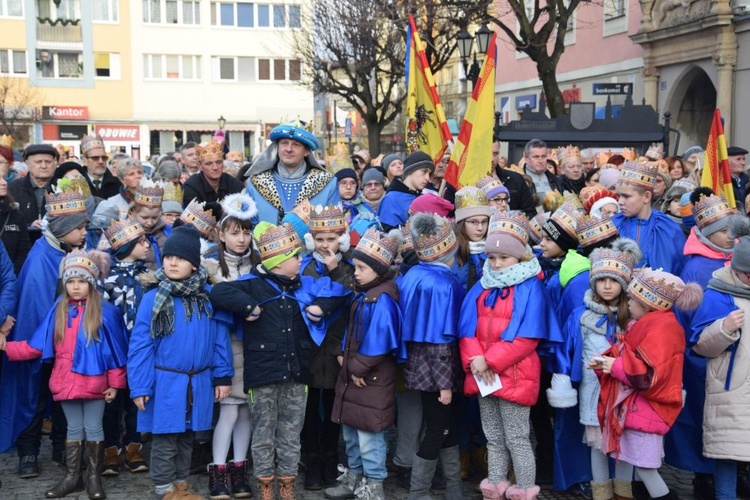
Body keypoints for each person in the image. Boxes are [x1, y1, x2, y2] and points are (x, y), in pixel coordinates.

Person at [208, 221, 350, 500]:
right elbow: (218, 292)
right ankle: (265, 489)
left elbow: (339, 291)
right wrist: (248, 306)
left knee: (290, 436)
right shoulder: (252, 286)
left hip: (297, 376)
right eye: (295, 257)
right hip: (262, 377)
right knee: (263, 436)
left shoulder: (304, 286)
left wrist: (321, 307)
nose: (301, 261)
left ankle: (286, 489)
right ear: (279, 262)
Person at [3, 250, 128, 499]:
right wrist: (7, 347)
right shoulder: (57, 311)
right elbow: (37, 345)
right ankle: (73, 477)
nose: (76, 287)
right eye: (70, 281)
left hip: (95, 382)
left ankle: (93, 479)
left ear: (91, 283)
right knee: (73, 428)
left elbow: (116, 352)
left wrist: (115, 383)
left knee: (93, 427)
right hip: (66, 381)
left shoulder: (106, 313)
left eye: (82, 281)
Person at [458, 211, 562, 500]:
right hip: (483, 375)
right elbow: (467, 329)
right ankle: (495, 483)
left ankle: (524, 488)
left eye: (503, 258)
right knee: (493, 436)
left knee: (517, 437)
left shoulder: (531, 287)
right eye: (492, 258)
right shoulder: (483, 285)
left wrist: (489, 361)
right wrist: (475, 360)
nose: (497, 263)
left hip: (515, 374)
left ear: (518, 257)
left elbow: (527, 337)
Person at [127, 225, 234, 500]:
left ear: (194, 263)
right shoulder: (153, 298)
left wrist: (222, 376)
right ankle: (164, 491)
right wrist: (139, 386)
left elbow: (220, 339)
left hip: (198, 380)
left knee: (187, 438)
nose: (173, 262)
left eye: (181, 258)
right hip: (165, 382)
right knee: (164, 440)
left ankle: (181, 487)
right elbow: (141, 346)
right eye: (168, 257)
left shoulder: (208, 297)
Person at [0, 185, 89, 474]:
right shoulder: (40, 258)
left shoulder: (72, 251)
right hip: (41, 343)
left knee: (65, 397)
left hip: (68, 343)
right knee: (35, 398)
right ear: (63, 229)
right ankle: (28, 452)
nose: (86, 231)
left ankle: (63, 448)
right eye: (80, 227)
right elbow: (36, 309)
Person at [593, 269, 703, 500]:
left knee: (645, 468)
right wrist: (608, 360)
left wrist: (613, 366)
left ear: (647, 302)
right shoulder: (653, 324)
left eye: (633, 298)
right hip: (642, 411)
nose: (628, 302)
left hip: (648, 411)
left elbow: (647, 376)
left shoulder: (660, 328)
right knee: (640, 467)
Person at [325, 227, 402, 500]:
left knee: (370, 436)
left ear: (377, 269)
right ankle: (354, 478)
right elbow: (350, 332)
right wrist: (342, 357)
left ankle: (374, 485)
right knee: (351, 432)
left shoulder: (382, 299)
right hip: (354, 375)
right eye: (355, 266)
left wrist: (356, 368)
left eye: (360, 267)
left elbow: (380, 340)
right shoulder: (363, 294)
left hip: (372, 378)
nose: (355, 272)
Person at [566, 240, 641, 500]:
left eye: (613, 280)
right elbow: (570, 352)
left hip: (625, 392)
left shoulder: (633, 318)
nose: (607, 286)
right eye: (601, 280)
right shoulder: (581, 316)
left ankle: (623, 494)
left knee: (626, 446)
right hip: (594, 392)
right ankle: (601, 494)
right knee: (597, 447)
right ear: (593, 282)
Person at [399, 213, 465, 500]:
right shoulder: (443, 284)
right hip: (438, 373)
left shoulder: (413, 275)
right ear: (448, 251)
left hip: (417, 367)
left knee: (443, 426)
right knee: (438, 428)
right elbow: (440, 340)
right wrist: (445, 384)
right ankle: (419, 492)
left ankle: (454, 489)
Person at [202, 193, 259, 500]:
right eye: (234, 232)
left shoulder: (260, 266)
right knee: (228, 412)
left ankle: (240, 470)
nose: (241, 238)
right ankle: (218, 471)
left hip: (254, 348)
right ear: (221, 235)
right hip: (227, 348)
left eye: (246, 231)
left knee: (246, 412)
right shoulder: (211, 269)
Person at [299, 205, 354, 491]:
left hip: (337, 350)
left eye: (330, 239)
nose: (324, 245)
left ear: (340, 240)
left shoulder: (349, 267)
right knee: (310, 410)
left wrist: (335, 271)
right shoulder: (304, 266)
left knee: (333, 409)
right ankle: (311, 462)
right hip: (309, 349)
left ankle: (331, 460)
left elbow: (348, 300)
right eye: (319, 239)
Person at [691, 234, 750, 500]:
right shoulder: (718, 294)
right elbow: (700, 346)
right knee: (727, 458)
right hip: (730, 396)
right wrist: (724, 329)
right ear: (738, 271)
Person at [100, 218, 152, 477]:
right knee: (111, 404)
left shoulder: (148, 276)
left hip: (139, 351)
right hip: (112, 351)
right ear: (126, 245)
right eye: (141, 240)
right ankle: (111, 450)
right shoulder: (107, 278)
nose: (147, 244)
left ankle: (134, 447)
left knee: (136, 402)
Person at [244, 120, 339, 225]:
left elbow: (333, 227)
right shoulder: (256, 182)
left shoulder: (327, 183)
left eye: (296, 145)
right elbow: (246, 227)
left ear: (307, 151)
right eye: (284, 143)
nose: (289, 149)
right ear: (277, 147)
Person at [612, 161, 686, 274]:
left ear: (646, 197)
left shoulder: (668, 228)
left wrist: (652, 275)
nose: (620, 202)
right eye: (619, 196)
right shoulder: (612, 225)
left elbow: (678, 269)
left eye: (626, 196)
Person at [9, 143, 59, 244]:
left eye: (48, 162)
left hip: (56, 246)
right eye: (38, 162)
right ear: (27, 163)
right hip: (22, 246)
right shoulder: (12, 189)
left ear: (55, 163)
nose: (44, 166)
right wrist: (28, 225)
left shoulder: (63, 188)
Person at [182, 140, 244, 219]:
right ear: (199, 166)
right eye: (209, 163)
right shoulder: (191, 186)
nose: (215, 167)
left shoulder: (234, 183)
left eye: (218, 162)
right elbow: (194, 216)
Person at [377, 151, 434, 232]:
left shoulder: (423, 197)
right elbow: (390, 238)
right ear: (411, 170)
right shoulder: (391, 199)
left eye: (430, 173)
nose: (428, 178)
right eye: (424, 171)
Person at [452, 186, 490, 292]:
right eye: (473, 222)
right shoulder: (450, 253)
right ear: (462, 223)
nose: (480, 228)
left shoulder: (495, 250)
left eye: (484, 221)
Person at [0, 147, 30, 273]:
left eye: (3, 178)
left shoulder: (15, 215)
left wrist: (11, 277)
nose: (4, 183)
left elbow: (23, 251)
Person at [128, 179, 167, 271]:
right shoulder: (127, 234)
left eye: (154, 218)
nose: (150, 222)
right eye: (144, 218)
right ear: (133, 213)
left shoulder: (167, 231)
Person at [81, 135, 122, 199]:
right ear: (85, 161)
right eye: (95, 158)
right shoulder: (76, 184)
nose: (101, 161)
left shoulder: (118, 184)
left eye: (104, 158)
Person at [727, 146, 748, 212]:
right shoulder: (722, 185)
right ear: (727, 161)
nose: (743, 163)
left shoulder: (747, 181)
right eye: (738, 159)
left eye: (743, 159)